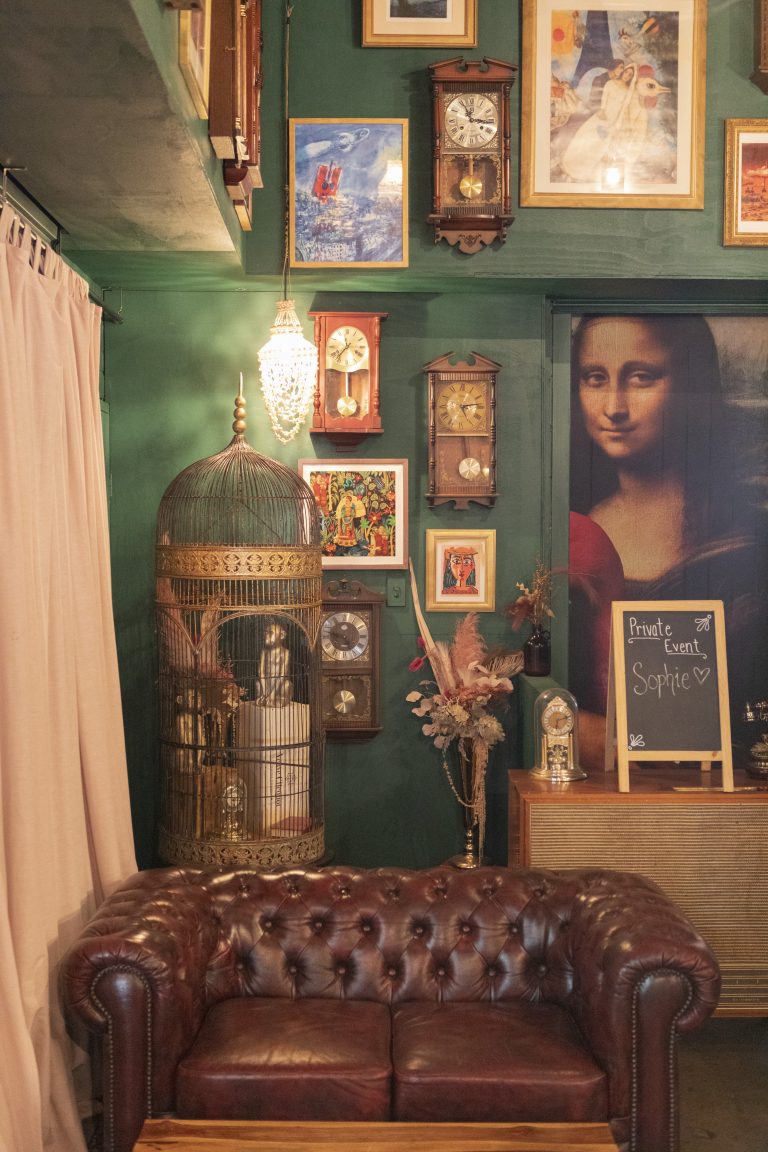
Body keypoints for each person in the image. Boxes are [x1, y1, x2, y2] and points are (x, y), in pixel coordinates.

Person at [569, 314, 767, 767]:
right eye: (595, 378)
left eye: (642, 377)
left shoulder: (745, 534)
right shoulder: (572, 528)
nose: (614, 406)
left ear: (689, 384)